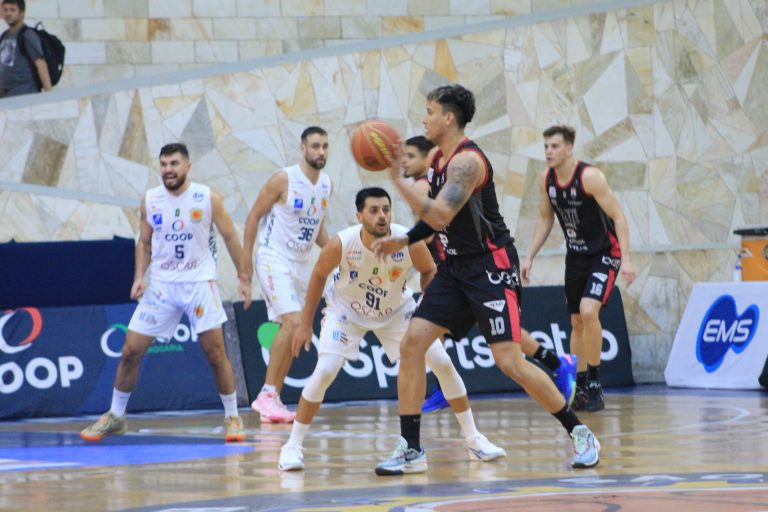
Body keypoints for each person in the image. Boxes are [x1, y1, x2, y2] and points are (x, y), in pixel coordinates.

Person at [371, 84, 600, 475]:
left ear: (449, 118)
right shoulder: (438, 159)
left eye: (430, 111)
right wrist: (405, 240)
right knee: (412, 344)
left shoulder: (468, 162)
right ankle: (411, 448)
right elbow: (436, 222)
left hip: (490, 267)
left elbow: (440, 214)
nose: (424, 119)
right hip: (454, 269)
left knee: (509, 361)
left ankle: (579, 432)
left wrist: (398, 181)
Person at [278, 187, 505, 471]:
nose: (381, 216)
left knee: (442, 362)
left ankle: (474, 440)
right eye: (374, 211)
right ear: (359, 216)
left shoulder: (407, 240)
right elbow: (319, 274)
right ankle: (292, 446)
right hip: (347, 311)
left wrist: (429, 306)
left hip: (397, 311)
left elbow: (429, 270)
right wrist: (304, 323)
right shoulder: (342, 243)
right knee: (325, 370)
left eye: (386, 209)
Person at [80, 143, 250, 442]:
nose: (168, 170)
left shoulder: (207, 198)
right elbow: (144, 243)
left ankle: (233, 416)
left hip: (198, 284)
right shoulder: (151, 200)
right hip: (161, 286)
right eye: (163, 164)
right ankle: (116, 416)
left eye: (174, 164)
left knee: (215, 353)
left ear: (187, 166)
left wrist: (244, 277)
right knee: (131, 350)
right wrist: (139, 277)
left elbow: (230, 237)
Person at [404, 136, 578, 413]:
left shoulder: (428, 183)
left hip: (467, 266)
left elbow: (425, 235)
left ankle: (558, 370)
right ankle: (557, 363)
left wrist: (401, 240)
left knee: (501, 348)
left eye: (411, 156)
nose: (405, 161)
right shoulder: (437, 179)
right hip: (454, 267)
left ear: (427, 158)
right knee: (430, 332)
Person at [520, 125, 636, 412]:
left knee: (588, 311)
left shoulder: (590, 177)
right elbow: (545, 219)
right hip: (576, 256)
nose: (549, 152)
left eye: (555, 146)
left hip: (605, 253)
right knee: (575, 321)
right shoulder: (546, 179)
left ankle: (595, 383)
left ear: (569, 148)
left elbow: (618, 217)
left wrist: (627, 259)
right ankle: (580, 384)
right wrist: (529, 255)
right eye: (546, 146)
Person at [243, 126, 332, 423]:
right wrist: (245, 266)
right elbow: (254, 216)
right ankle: (267, 394)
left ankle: (273, 399)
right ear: (303, 149)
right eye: (315, 146)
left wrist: (338, 253)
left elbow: (317, 228)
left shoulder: (326, 184)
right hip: (273, 258)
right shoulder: (284, 179)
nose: (321, 151)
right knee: (294, 322)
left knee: (294, 327)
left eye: (325, 146)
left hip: (301, 264)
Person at [0, 0, 52, 97]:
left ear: (21, 13)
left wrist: (50, 95)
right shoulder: (4, 36)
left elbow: (41, 64)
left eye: (12, 10)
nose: (8, 13)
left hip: (25, 94)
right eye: (5, 10)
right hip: (7, 97)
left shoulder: (27, 35)